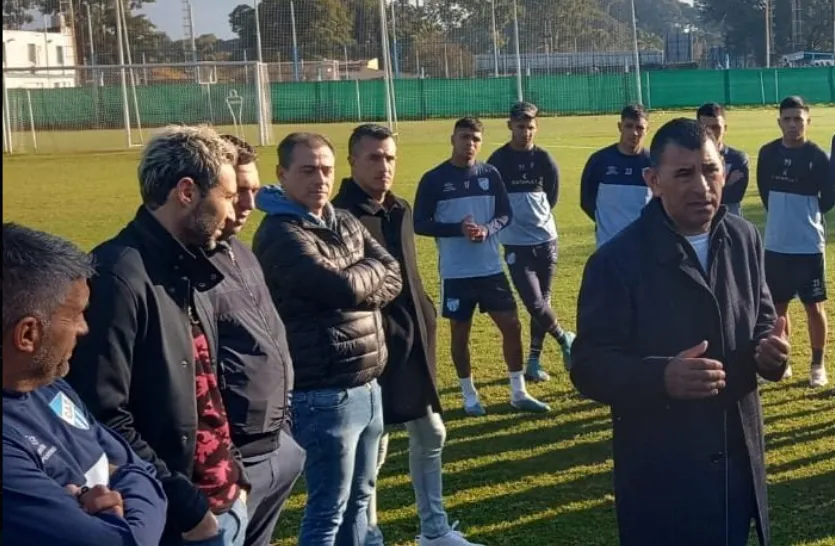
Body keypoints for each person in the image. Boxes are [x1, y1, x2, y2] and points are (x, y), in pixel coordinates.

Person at [571, 118, 790, 546]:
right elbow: (588, 365)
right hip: (664, 476)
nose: (702, 186)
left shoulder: (744, 237)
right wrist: (661, 377)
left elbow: (762, 317)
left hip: (737, 464)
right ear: (654, 181)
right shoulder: (616, 262)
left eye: (710, 170)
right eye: (684, 174)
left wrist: (771, 351)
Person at [66, 125, 251, 546]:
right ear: (186, 192)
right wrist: (185, 505)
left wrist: (234, 470)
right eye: (226, 196)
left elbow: (206, 385)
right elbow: (102, 413)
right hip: (180, 521)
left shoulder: (188, 265)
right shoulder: (116, 277)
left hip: (223, 501)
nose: (232, 212)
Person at [332, 124, 484, 546]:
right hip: (370, 350)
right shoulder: (340, 216)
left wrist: (425, 315)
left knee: (431, 432)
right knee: (372, 448)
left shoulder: (400, 208)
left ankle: (434, 530)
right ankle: (368, 534)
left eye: (390, 158)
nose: (384, 166)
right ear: (353, 161)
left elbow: (409, 278)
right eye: (374, 158)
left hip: (414, 342)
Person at [252, 132, 402, 546]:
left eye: (326, 170)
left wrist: (356, 282)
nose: (320, 179)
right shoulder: (280, 234)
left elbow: (393, 273)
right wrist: (362, 278)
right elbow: (339, 289)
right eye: (307, 170)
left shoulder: (343, 219)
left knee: (361, 500)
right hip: (323, 396)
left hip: (368, 386)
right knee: (327, 511)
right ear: (282, 174)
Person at [2, 223, 167, 546]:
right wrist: (126, 501)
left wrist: (125, 484)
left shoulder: (47, 386)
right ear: (28, 334)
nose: (84, 328)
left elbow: (139, 468)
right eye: (76, 314)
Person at [414, 117, 550, 416]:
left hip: (490, 269)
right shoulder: (434, 179)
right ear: (453, 139)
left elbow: (505, 215)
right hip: (456, 273)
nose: (470, 143)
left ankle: (518, 392)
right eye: (464, 137)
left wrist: (487, 229)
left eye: (475, 139)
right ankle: (469, 395)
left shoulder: (490, 174)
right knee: (460, 335)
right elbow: (420, 223)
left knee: (512, 327)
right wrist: (457, 229)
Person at [207, 135, 306, 546]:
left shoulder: (241, 252)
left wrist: (284, 433)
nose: (249, 203)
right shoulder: (191, 267)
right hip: (233, 459)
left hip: (276, 444)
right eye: (238, 193)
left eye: (255, 190)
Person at [487, 101, 575, 382]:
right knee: (535, 303)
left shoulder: (544, 159)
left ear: (536, 128)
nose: (525, 132)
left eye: (530, 127)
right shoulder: (498, 160)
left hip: (546, 240)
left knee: (543, 301)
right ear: (509, 126)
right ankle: (564, 338)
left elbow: (552, 197)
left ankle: (534, 362)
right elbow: (493, 199)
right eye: (520, 126)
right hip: (515, 243)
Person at [757, 96, 834, 388]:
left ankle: (817, 365)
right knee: (778, 307)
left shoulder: (817, 156)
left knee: (814, 307)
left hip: (808, 245)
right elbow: (765, 192)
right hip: (776, 245)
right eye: (787, 119)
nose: (792, 125)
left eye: (798, 119)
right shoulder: (767, 153)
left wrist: (806, 215)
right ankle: (784, 360)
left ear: (807, 122)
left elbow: (828, 197)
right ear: (779, 122)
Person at [580, 104, 652, 248]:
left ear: (647, 130)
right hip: (607, 245)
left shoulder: (654, 163)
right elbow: (586, 200)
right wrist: (607, 223)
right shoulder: (599, 161)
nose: (634, 133)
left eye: (640, 128)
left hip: (644, 246)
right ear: (620, 127)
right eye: (629, 126)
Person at [697, 103, 750, 216]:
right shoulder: (690, 159)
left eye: (716, 127)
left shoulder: (737, 158)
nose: (710, 132)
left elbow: (735, 196)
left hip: (729, 219)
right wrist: (727, 184)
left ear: (725, 128)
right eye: (705, 127)